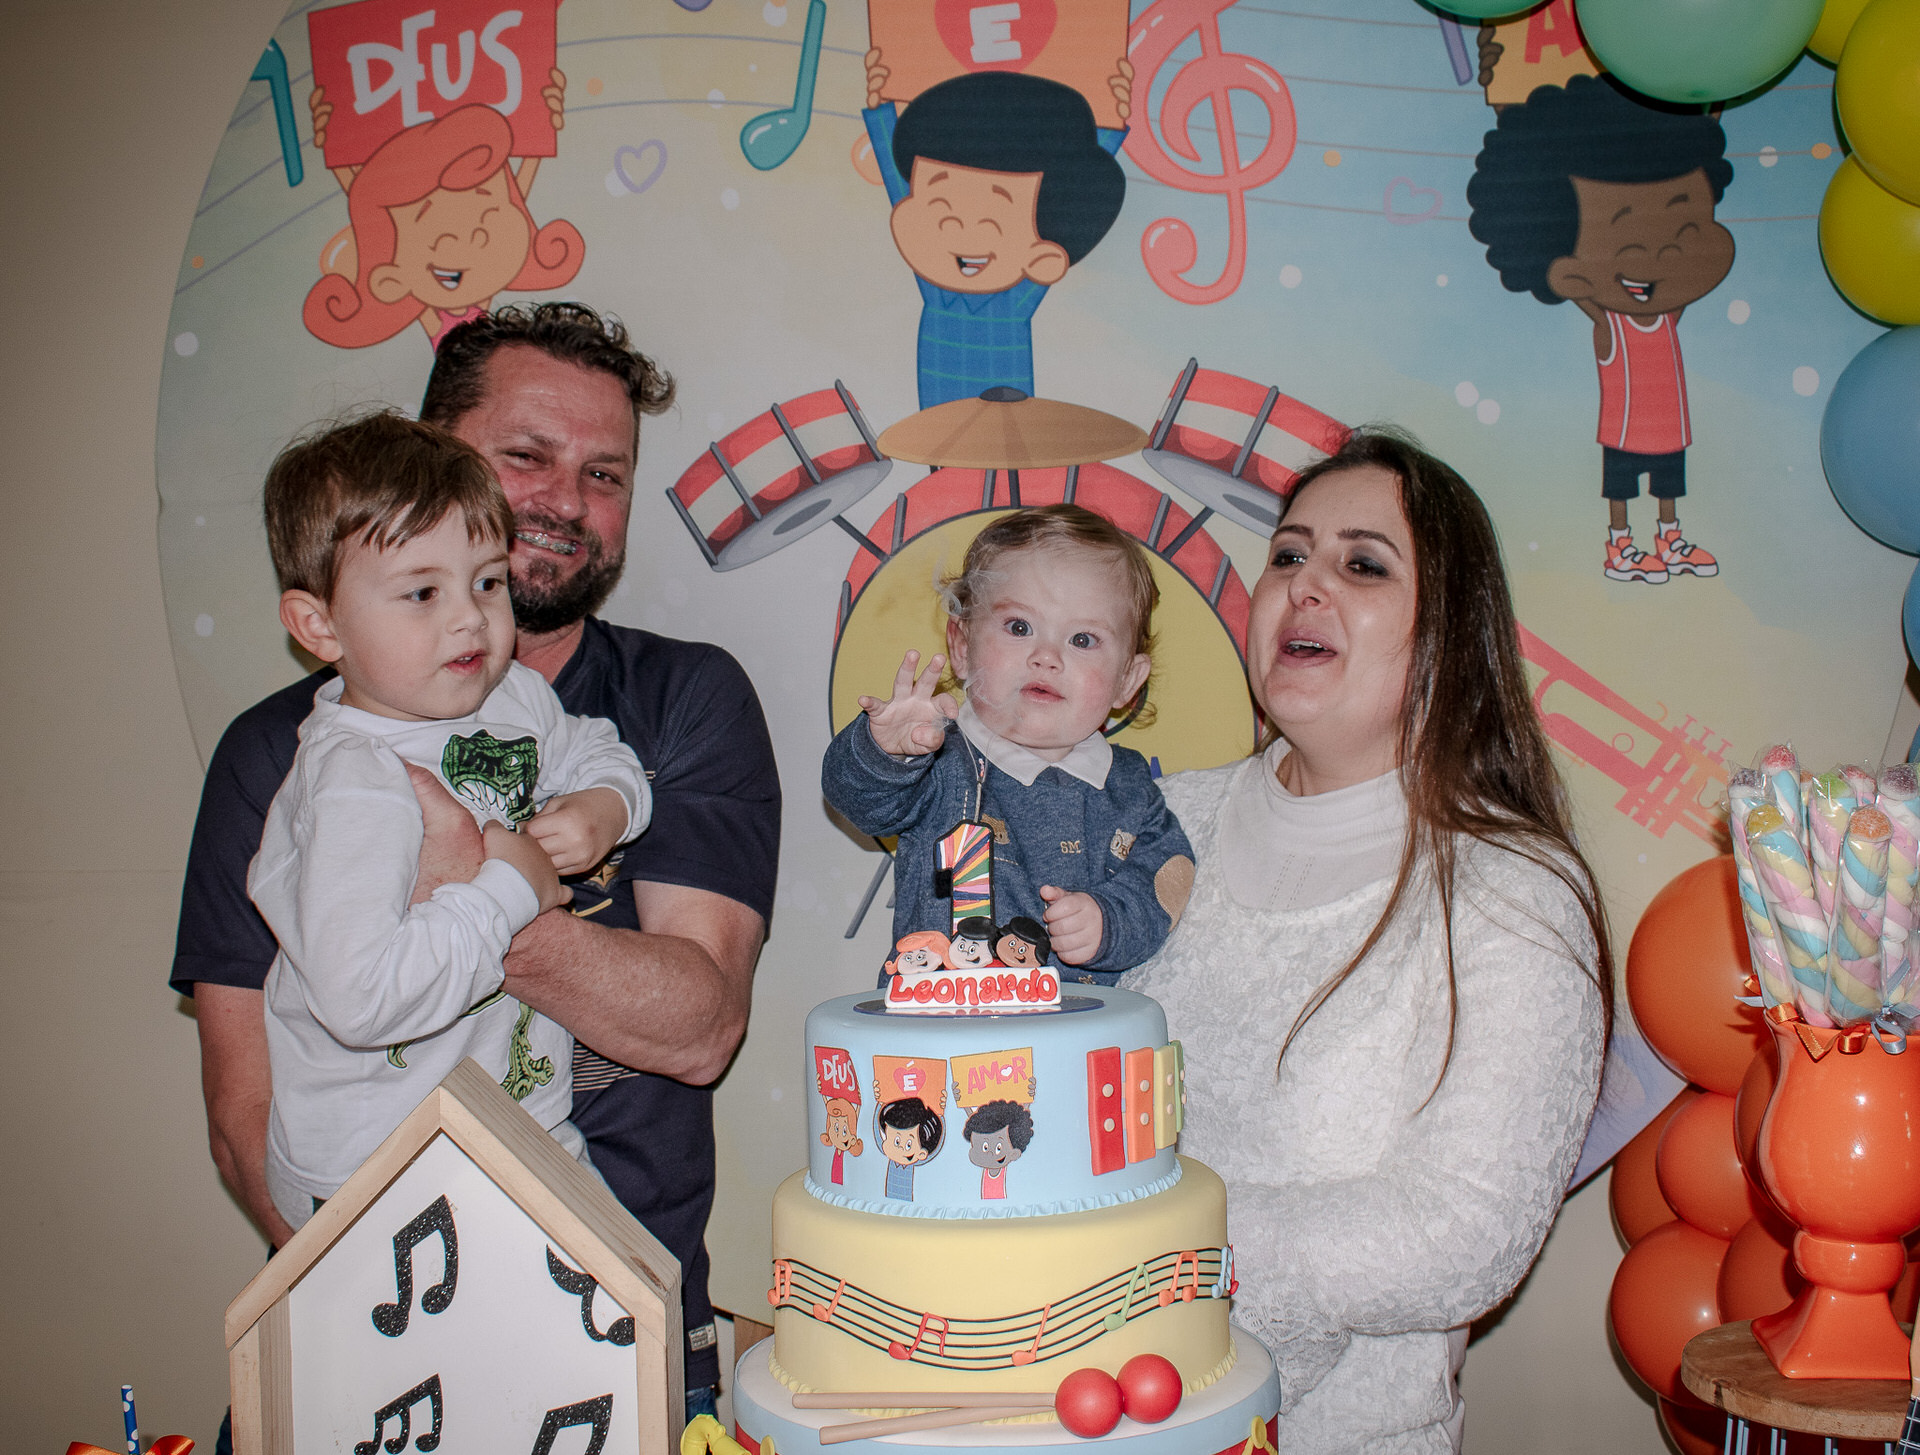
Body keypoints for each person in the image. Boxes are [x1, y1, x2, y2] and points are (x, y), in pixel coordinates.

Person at [173, 303, 779, 1422]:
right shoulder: (292, 758)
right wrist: (408, 1328)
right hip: (372, 1324)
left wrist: (506, 874)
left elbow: (700, 1028)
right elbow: (245, 1113)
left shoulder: (680, 697)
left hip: (622, 1315)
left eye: (604, 473)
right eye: (526, 457)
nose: (566, 501)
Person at [1124, 429, 1610, 1453]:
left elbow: (1463, 1232)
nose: (1305, 584)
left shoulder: (1512, 890)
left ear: (1446, 633)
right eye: (1288, 554)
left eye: (1363, 565)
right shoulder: (1156, 823)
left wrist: (1150, 1246)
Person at [250, 412, 649, 1229]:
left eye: (488, 582)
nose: (469, 617)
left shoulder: (511, 695)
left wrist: (604, 807)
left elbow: (598, 749)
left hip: (519, 1116)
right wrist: (511, 888)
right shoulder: (353, 777)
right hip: (376, 1162)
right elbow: (361, 998)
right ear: (319, 626)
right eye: (423, 592)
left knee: (626, 1287)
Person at [822, 505, 1194, 985]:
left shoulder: (1130, 786)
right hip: (941, 1017)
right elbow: (859, 799)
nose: (1046, 657)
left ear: (1128, 679)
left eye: (1083, 639)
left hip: (1078, 1023)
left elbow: (1167, 877)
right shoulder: (936, 758)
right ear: (962, 646)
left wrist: (1110, 921)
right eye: (1019, 627)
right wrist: (886, 753)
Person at [1467, 74, 1734, 584]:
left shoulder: (1668, 312)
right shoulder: (1610, 324)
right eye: (1627, 236)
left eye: (1683, 228)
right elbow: (1581, 286)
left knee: (1669, 487)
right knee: (1621, 490)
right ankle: (1622, 546)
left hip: (1670, 430)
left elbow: (1686, 276)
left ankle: (1669, 538)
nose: (1659, 253)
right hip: (1626, 432)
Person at [861, 67, 1130, 408]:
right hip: (934, 417)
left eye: (990, 217)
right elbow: (897, 179)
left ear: (1042, 259)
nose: (956, 223)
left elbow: (1076, 189)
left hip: (1005, 422)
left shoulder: (1014, 296)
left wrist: (1108, 120)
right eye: (940, 202)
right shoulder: (935, 277)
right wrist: (881, 107)